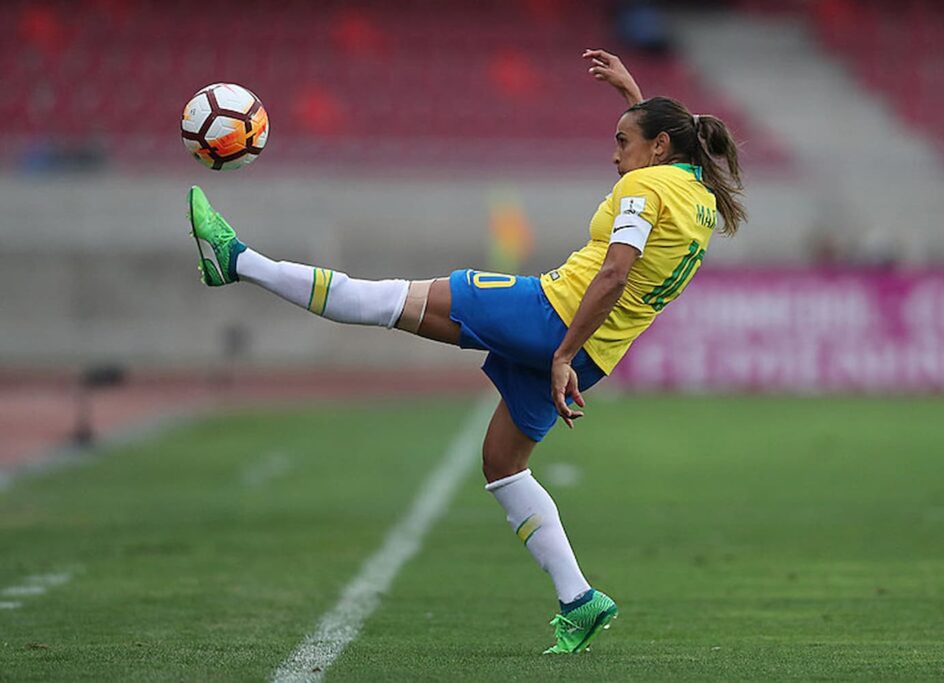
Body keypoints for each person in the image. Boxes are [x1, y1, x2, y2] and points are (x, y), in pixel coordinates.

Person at [186, 49, 747, 654]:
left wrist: (559, 353)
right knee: (503, 465)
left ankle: (238, 261)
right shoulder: (702, 200)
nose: (613, 153)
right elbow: (653, 177)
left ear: (659, 146)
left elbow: (613, 273)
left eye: (621, 140)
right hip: (594, 354)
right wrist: (631, 93)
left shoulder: (643, 184)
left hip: (552, 319)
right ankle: (578, 598)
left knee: (391, 300)